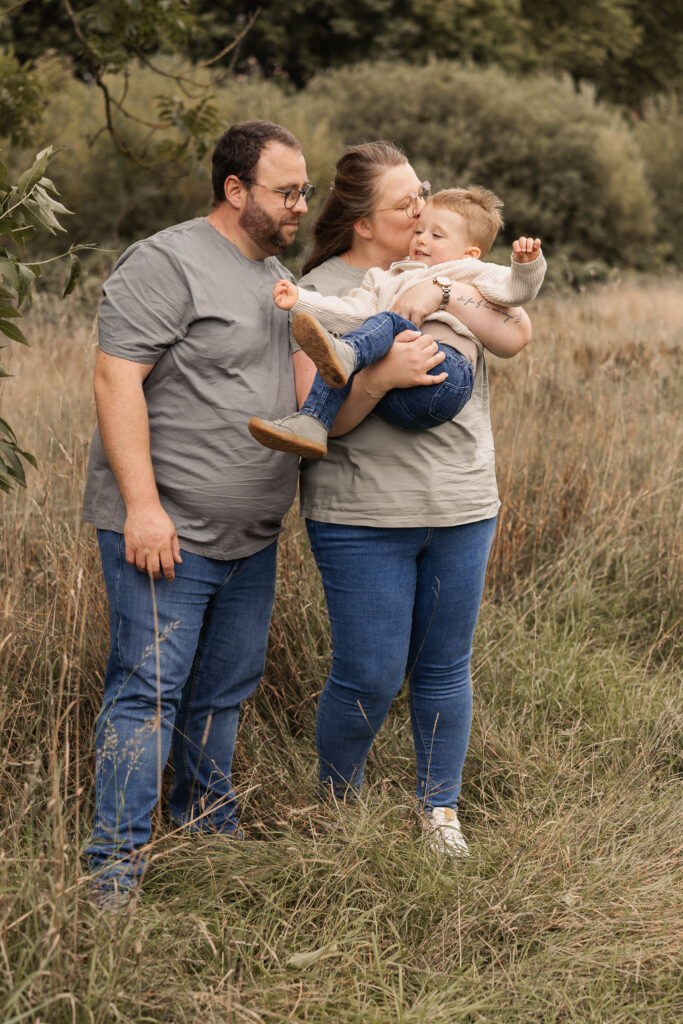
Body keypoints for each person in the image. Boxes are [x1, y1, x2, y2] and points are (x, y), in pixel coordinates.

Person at [81, 119, 318, 906]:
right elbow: (117, 383)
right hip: (166, 534)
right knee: (146, 694)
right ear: (234, 189)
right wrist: (144, 509)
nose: (300, 205)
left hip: (250, 536)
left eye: (305, 192)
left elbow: (299, 396)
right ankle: (114, 870)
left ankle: (206, 824)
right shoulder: (167, 261)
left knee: (223, 691)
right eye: (287, 192)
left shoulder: (276, 276)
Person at [287, 141, 532, 856]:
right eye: (406, 203)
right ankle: (339, 806)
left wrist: (451, 289)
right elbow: (316, 420)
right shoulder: (324, 291)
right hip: (361, 513)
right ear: (363, 222)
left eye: (422, 194)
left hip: (460, 504)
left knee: (443, 667)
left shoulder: (451, 267)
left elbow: (517, 329)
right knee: (367, 672)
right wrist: (380, 375)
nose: (423, 209)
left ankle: (440, 813)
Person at [249, 186, 544, 457]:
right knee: (353, 352)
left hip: (447, 376)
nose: (422, 238)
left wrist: (527, 264)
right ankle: (312, 423)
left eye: (436, 235)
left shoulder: (469, 270)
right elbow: (351, 312)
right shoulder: (386, 278)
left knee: (382, 325)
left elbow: (515, 291)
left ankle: (347, 355)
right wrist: (299, 300)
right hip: (400, 400)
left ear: (470, 253)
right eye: (419, 230)